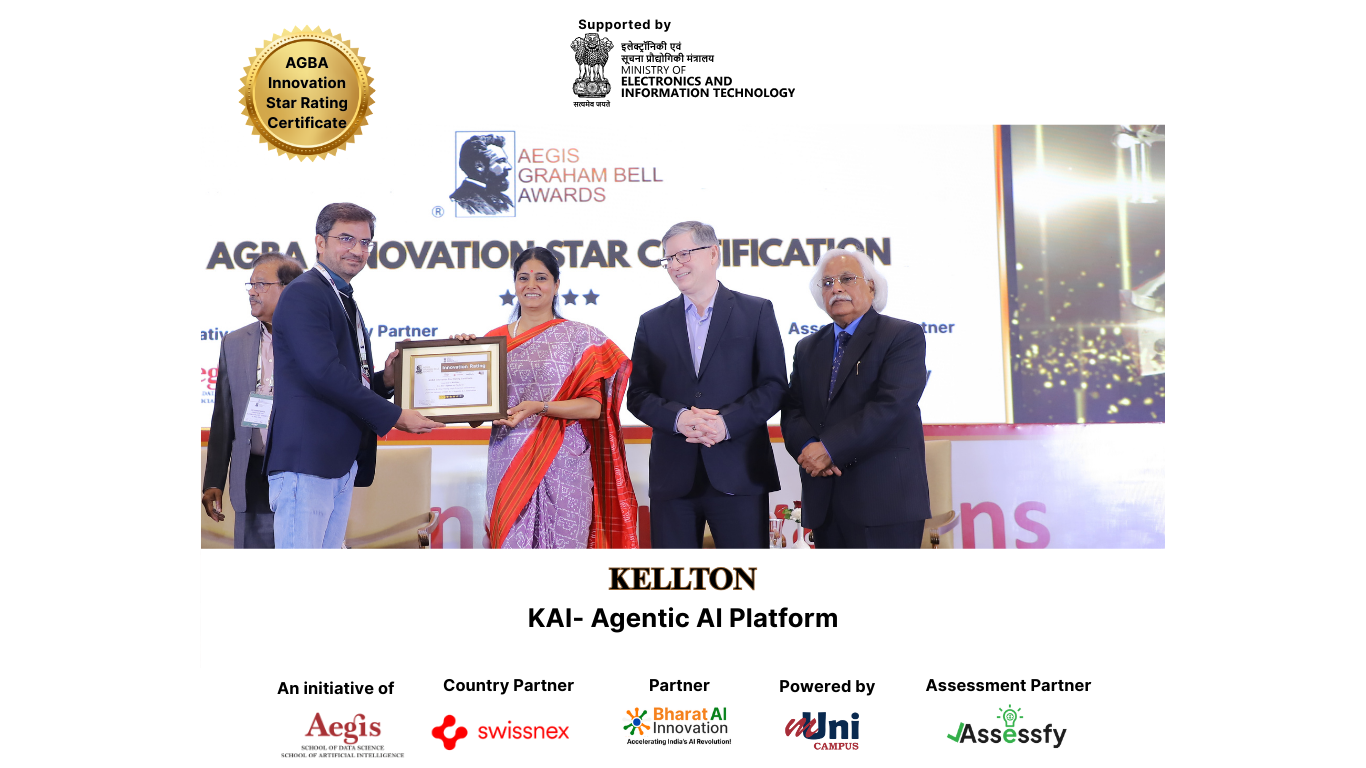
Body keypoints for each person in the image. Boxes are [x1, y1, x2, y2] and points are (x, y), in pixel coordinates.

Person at [264, 203, 445, 549]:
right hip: (308, 460)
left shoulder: (340, 295)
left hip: (336, 462)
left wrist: (386, 381)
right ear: (320, 242)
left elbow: (342, 377)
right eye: (346, 239)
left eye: (365, 242)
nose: (358, 250)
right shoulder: (305, 292)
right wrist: (395, 416)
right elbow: (323, 374)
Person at [463, 246, 637, 548]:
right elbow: (475, 417)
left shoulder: (580, 338)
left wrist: (540, 407)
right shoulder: (492, 340)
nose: (531, 285)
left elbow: (593, 407)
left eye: (541, 278)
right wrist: (461, 355)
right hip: (509, 460)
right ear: (514, 284)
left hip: (564, 462)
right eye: (523, 278)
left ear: (556, 285)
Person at [626, 221, 786, 548]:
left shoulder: (756, 311)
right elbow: (638, 395)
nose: (674, 265)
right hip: (673, 476)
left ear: (713, 253)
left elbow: (773, 386)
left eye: (683, 255)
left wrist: (725, 423)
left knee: (746, 574)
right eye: (668, 259)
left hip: (739, 471)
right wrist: (678, 418)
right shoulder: (652, 322)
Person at [780, 248, 931, 548]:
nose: (836, 288)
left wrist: (829, 449)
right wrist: (809, 447)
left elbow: (891, 407)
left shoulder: (902, 336)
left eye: (847, 279)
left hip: (885, 501)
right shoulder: (807, 347)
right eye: (827, 283)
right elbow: (792, 409)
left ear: (871, 287)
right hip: (825, 499)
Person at [201, 253, 304, 548]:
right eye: (250, 284)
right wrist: (214, 480)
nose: (251, 292)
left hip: (300, 473)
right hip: (251, 474)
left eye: (260, 284)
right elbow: (224, 416)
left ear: (287, 289)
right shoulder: (234, 342)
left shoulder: (313, 339)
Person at [450, 134, 514, 215]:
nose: (509, 167)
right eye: (501, 161)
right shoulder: (460, 202)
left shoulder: (505, 199)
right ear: (479, 166)